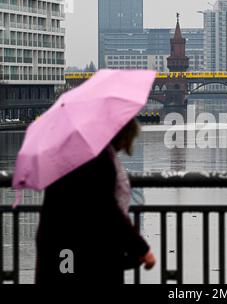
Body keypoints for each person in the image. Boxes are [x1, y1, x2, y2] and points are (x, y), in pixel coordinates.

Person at [35, 119, 155, 284]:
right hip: (82, 251)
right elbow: (107, 209)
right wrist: (141, 248)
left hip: (59, 246)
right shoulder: (97, 158)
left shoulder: (72, 152)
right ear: (120, 135)